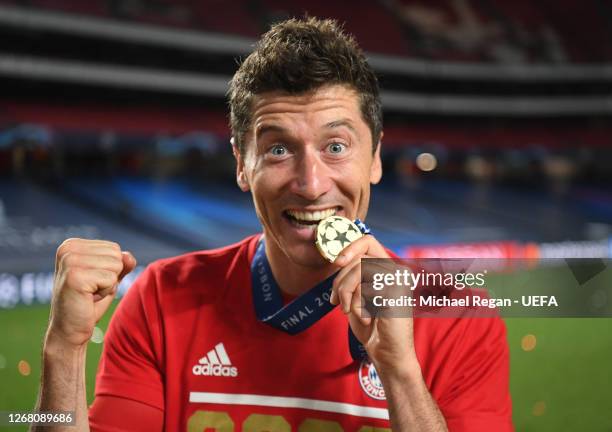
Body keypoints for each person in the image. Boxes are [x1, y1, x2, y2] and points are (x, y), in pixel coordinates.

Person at [32, 17, 513, 432]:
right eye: (279, 149)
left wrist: (401, 371)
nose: (310, 182)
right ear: (243, 164)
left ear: (376, 158)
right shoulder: (161, 298)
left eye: (336, 147)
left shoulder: (456, 314)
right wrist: (63, 352)